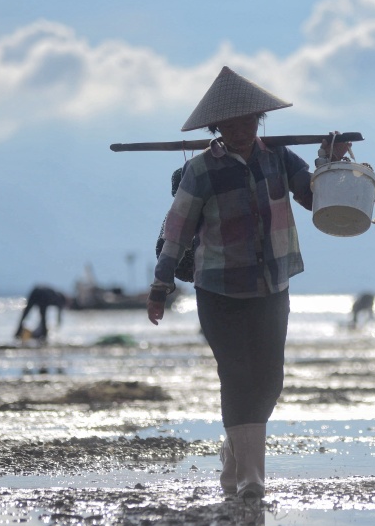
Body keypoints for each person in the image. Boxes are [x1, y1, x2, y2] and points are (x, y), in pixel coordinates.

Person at [147, 66, 349, 502]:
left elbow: (317, 199)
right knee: (236, 376)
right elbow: (178, 231)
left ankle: (236, 450)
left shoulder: (278, 159)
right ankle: (251, 480)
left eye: (247, 123)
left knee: (270, 380)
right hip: (218, 291)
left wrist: (330, 160)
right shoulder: (201, 171)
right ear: (217, 128)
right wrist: (160, 285)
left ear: (258, 122)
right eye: (230, 126)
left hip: (272, 287)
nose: (239, 132)